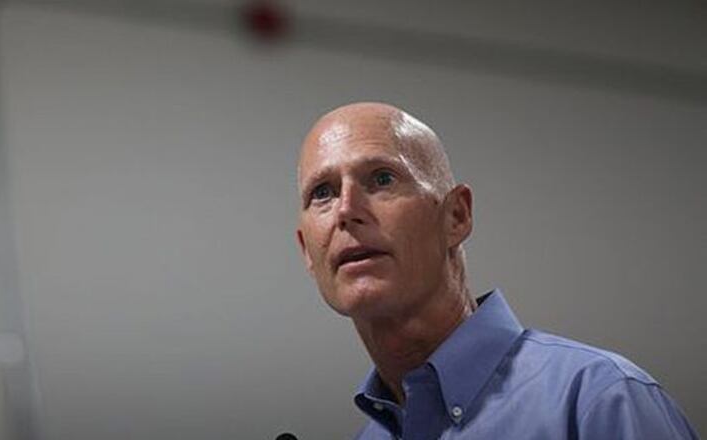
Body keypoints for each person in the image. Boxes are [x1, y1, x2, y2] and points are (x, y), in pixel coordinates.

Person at [294, 102, 699, 439]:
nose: (346, 210)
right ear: (307, 252)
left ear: (456, 216)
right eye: (322, 193)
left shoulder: (600, 399)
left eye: (382, 179)